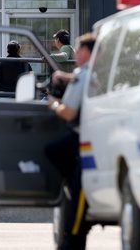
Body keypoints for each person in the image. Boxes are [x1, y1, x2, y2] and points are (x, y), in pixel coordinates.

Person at [45, 33, 96, 250]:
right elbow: (78, 77)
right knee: (55, 151)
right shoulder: (93, 73)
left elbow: (69, 112)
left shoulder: (84, 74)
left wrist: (53, 104)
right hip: (87, 139)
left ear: (86, 52)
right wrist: (65, 77)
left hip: (84, 139)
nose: (75, 52)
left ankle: (71, 241)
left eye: (78, 48)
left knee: (77, 206)